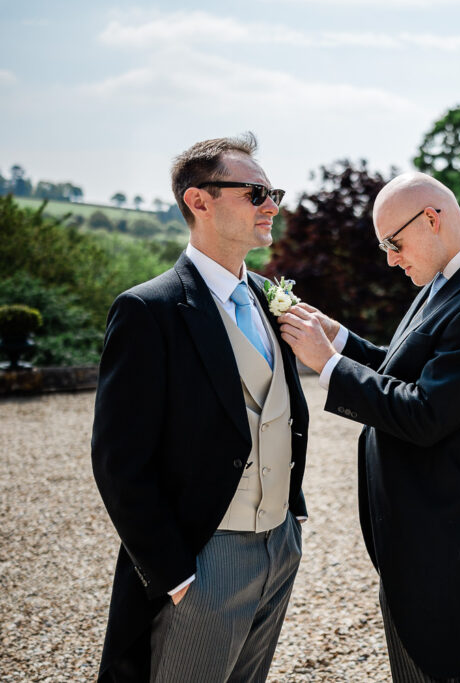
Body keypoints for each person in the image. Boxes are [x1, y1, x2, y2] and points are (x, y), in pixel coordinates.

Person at [279, 172, 460, 682]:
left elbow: (425, 414)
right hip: (416, 535)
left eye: (393, 244)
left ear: (432, 219)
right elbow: (406, 371)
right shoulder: (451, 277)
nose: (391, 260)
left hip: (441, 540)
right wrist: (340, 339)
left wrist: (328, 366)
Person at [91, 133, 309, 682]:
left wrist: (292, 523)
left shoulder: (267, 297)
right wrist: (175, 573)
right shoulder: (149, 309)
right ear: (199, 201)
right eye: (255, 193)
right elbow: (119, 460)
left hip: (279, 546)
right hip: (205, 558)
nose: (271, 205)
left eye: (273, 193)